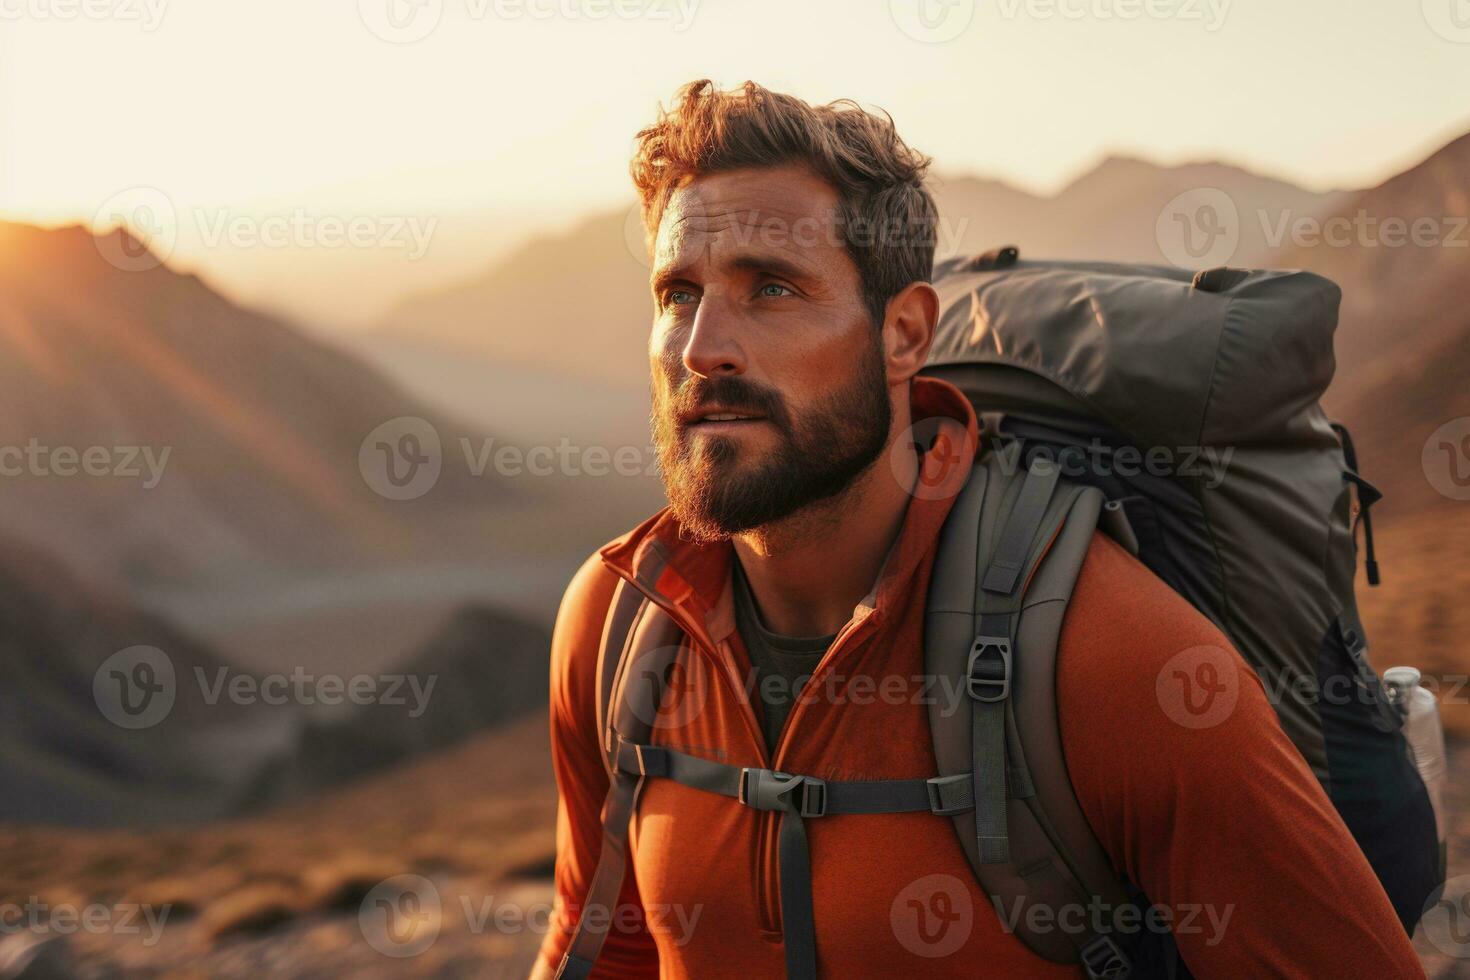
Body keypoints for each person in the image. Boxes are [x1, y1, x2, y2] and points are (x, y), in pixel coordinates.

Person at [531, 79, 1426, 978]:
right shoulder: (618, 628)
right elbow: (602, 946)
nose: (701, 348)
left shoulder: (1115, 662)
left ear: (905, 334)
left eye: (771, 288)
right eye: (677, 293)